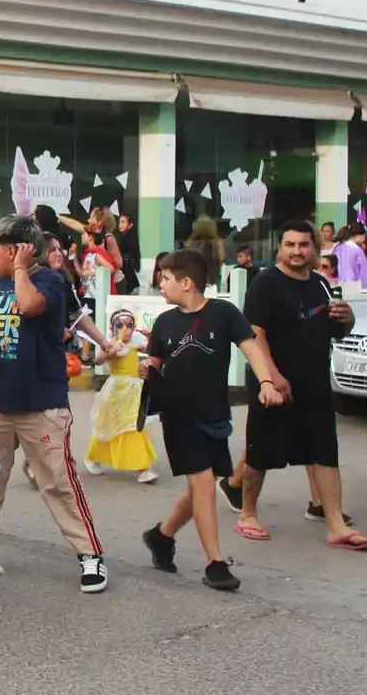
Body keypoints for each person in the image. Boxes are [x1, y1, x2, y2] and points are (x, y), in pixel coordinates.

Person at [0, 214, 114, 594]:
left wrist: (19, 269)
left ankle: (89, 555)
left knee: (58, 483)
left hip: (42, 404)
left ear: (17, 250)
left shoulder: (50, 281)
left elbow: (30, 305)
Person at [219, 222, 367, 549]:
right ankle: (248, 512)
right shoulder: (266, 284)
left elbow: (338, 330)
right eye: (290, 244)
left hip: (315, 383)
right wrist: (273, 377)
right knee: (261, 450)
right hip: (273, 382)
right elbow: (254, 334)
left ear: (314, 248)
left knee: (324, 451)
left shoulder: (320, 283)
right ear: (280, 247)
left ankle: (335, 524)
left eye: (303, 245)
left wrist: (347, 318)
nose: (296, 251)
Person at [138, 248, 281, 591]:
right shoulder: (164, 322)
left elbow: (252, 350)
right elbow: (153, 365)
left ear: (186, 282)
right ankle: (216, 564)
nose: (161, 283)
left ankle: (161, 535)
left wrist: (266, 383)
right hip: (178, 416)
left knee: (199, 487)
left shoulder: (224, 313)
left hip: (214, 415)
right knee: (203, 484)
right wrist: (146, 368)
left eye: (166, 278)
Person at [84, 310, 158, 483]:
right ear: (113, 328)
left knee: (134, 427)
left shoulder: (136, 342)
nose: (126, 329)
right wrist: (110, 351)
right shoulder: (112, 344)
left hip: (134, 392)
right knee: (109, 427)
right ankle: (93, 457)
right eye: (120, 325)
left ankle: (143, 468)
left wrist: (152, 337)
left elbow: (152, 349)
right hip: (116, 393)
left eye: (129, 325)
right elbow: (98, 360)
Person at [333, 223, 367, 294]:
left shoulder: (337, 248)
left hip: (338, 285)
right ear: (360, 236)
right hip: (354, 287)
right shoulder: (357, 250)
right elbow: (364, 273)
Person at [116, 212, 141, 295]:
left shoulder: (128, 239)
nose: (120, 225)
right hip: (130, 279)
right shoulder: (128, 238)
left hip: (128, 278)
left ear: (130, 224)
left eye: (123, 222)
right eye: (119, 222)